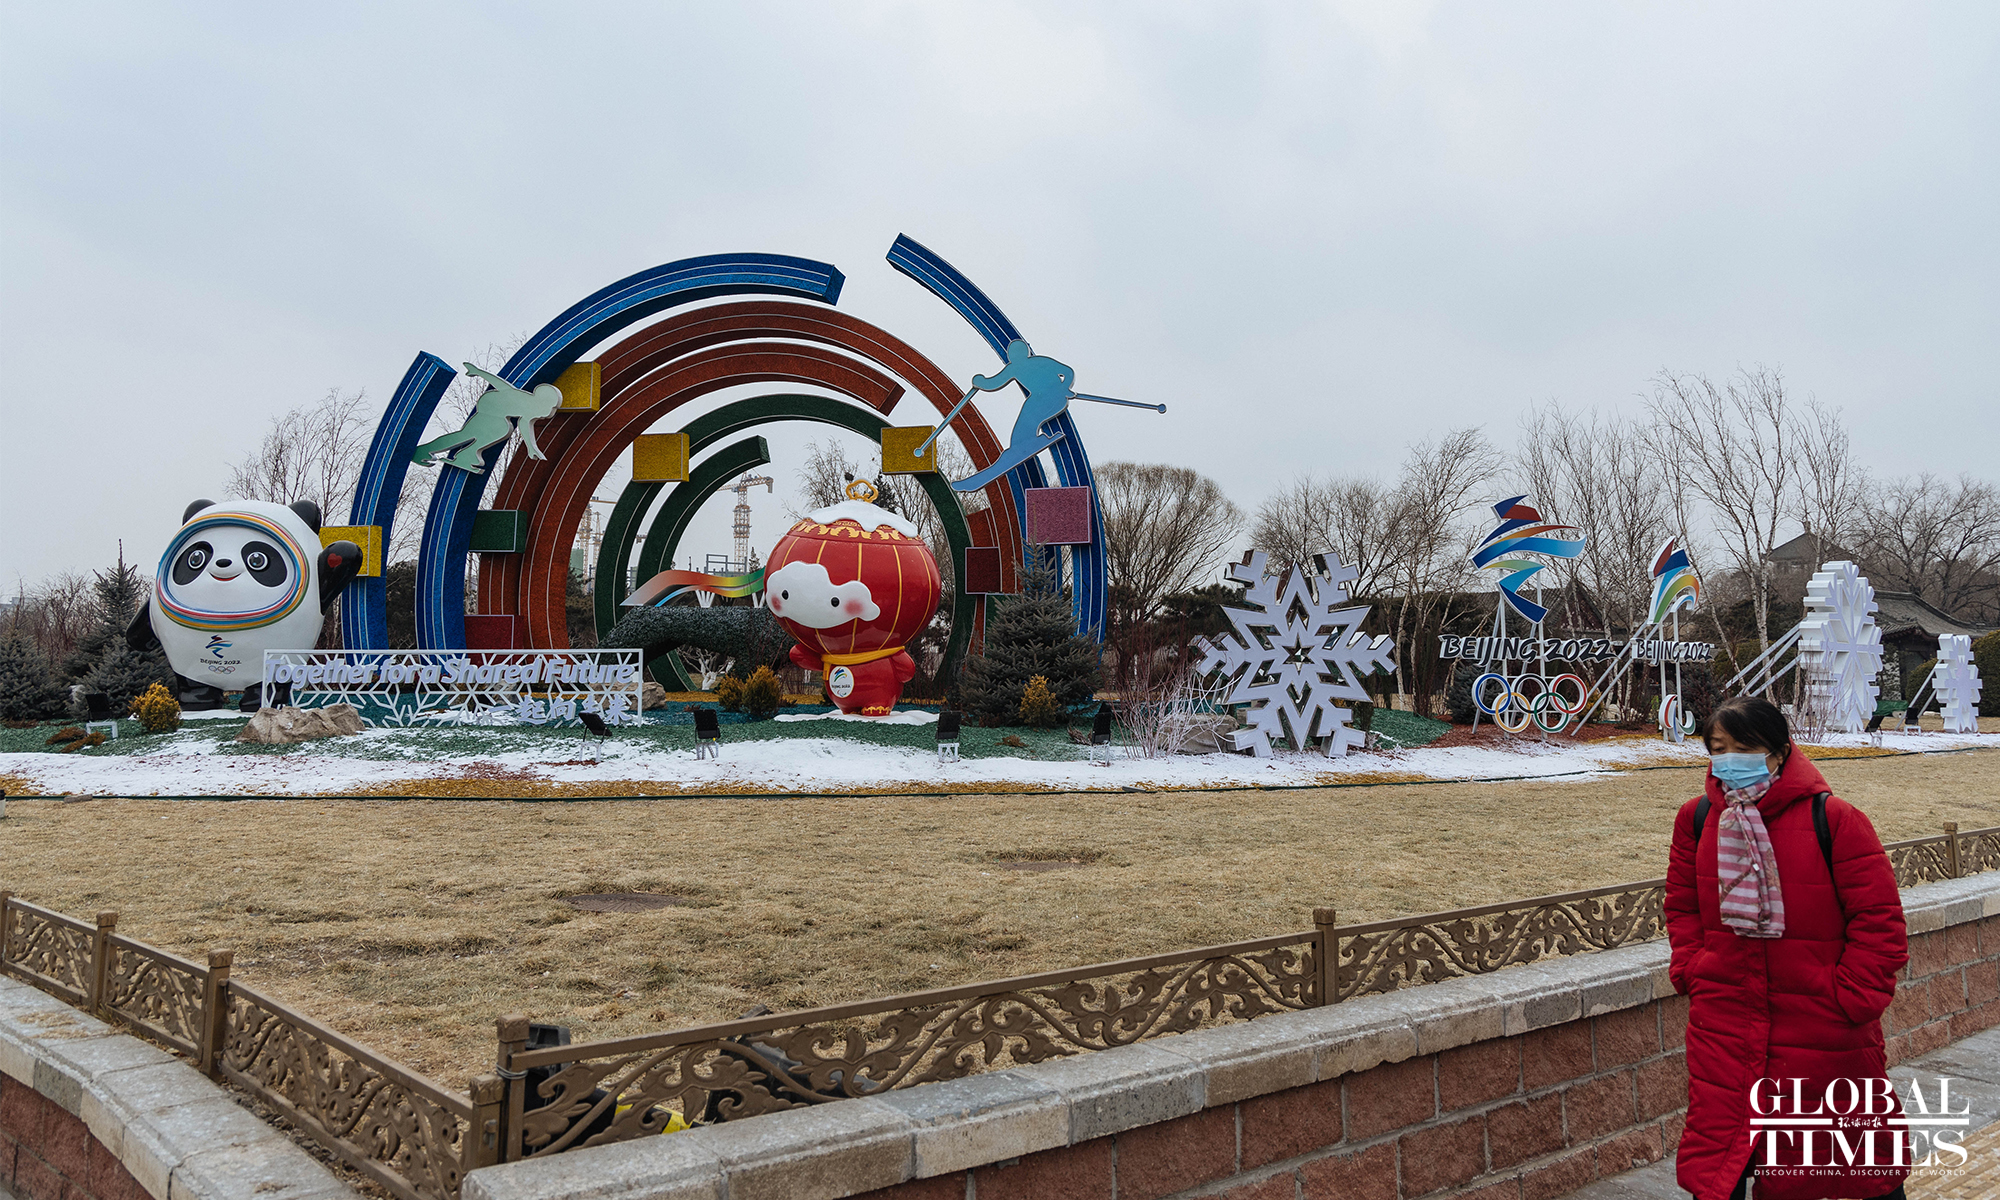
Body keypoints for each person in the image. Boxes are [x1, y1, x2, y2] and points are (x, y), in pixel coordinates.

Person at [1666, 696, 1910, 1200]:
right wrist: (1693, 968)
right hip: (1726, 1020)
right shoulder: (1697, 819)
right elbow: (1682, 907)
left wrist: (1851, 997)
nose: (1729, 760)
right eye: (1718, 749)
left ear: (1779, 752)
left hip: (1822, 1025)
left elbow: (1879, 922)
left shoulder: (1835, 819)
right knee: (1724, 1159)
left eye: (1744, 748)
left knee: (1852, 1159)